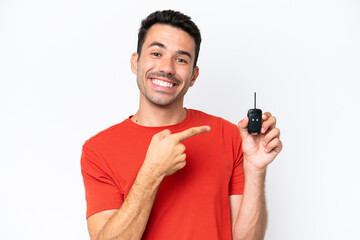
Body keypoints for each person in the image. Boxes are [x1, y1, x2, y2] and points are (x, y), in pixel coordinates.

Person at [81, 10, 282, 240]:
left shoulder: (229, 135)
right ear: (135, 62)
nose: (167, 68)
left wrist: (256, 170)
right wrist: (151, 173)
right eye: (156, 53)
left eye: (181, 59)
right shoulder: (98, 150)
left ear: (193, 76)